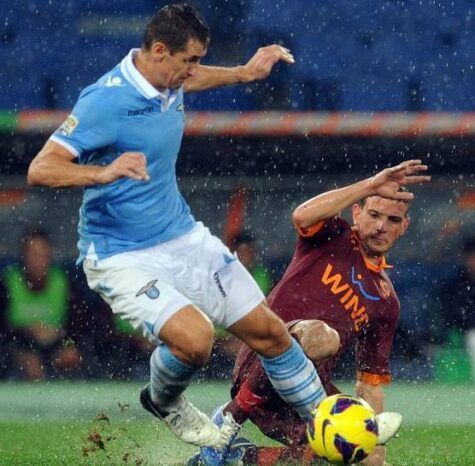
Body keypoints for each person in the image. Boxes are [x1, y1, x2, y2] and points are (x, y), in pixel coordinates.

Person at [27, 3, 327, 450]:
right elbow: (41, 168)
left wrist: (244, 73)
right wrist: (102, 173)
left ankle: (327, 422)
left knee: (270, 333)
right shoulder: (104, 100)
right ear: (160, 50)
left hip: (182, 237)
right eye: (189, 60)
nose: (193, 71)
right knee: (196, 340)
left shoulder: (168, 78)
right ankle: (163, 400)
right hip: (120, 254)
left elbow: (195, 78)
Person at [193, 160, 430, 465]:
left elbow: (369, 384)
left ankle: (241, 457)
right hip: (260, 365)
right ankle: (229, 419)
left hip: (308, 392)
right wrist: (371, 184)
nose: (382, 226)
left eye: (393, 220)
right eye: (373, 214)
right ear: (356, 213)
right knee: (321, 336)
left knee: (353, 452)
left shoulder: (386, 303)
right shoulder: (333, 235)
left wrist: (376, 451)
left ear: (404, 227)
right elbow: (301, 215)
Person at [0, 229, 83, 380]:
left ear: (50, 256)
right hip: (18, 348)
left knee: (74, 356)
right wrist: (25, 337)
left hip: (57, 346)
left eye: (42, 254)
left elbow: (77, 329)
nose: (37, 260)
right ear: (23, 257)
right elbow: (3, 332)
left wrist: (66, 344)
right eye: (32, 254)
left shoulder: (65, 284)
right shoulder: (6, 284)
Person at [437, 237, 475, 382]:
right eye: (471, 257)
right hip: (465, 332)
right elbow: (451, 313)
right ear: (465, 258)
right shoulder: (455, 285)